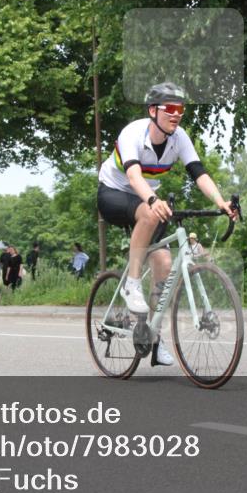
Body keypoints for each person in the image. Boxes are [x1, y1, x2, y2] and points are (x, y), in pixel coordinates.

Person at [96, 82, 237, 367]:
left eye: (181, 110)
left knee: (163, 262)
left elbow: (199, 173)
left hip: (145, 198)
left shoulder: (179, 138)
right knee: (150, 214)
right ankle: (131, 285)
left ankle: (153, 338)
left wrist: (220, 202)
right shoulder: (132, 134)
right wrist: (151, 200)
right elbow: (134, 177)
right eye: (170, 109)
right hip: (114, 193)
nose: (176, 115)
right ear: (152, 111)